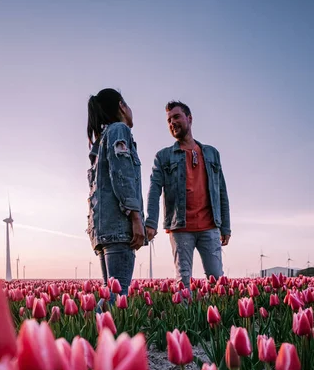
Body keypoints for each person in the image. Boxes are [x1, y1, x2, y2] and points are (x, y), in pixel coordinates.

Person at [145, 100, 231, 287]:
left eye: (176, 117)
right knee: (183, 280)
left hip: (210, 226)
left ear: (189, 118)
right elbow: (154, 190)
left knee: (217, 280)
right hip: (180, 227)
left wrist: (225, 226)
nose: (172, 123)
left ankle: (215, 315)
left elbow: (222, 191)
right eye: (168, 120)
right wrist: (151, 222)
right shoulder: (163, 156)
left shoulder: (211, 153)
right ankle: (185, 316)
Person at [87, 88, 145, 296]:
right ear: (121, 105)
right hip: (119, 229)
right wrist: (135, 217)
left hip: (102, 231)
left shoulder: (99, 142)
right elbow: (122, 175)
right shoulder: (119, 130)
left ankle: (96, 329)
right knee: (117, 299)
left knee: (109, 295)